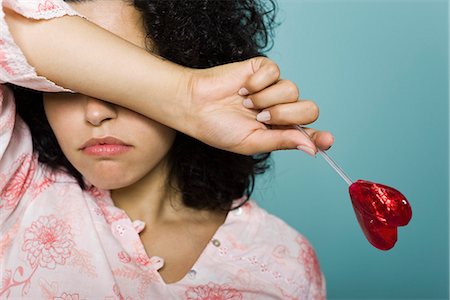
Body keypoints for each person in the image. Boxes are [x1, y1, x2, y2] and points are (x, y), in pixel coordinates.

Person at [0, 0, 332, 298]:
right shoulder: (14, 188)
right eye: (65, 83)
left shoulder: (285, 266)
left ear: (190, 60)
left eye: (124, 82)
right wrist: (185, 94)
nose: (97, 113)